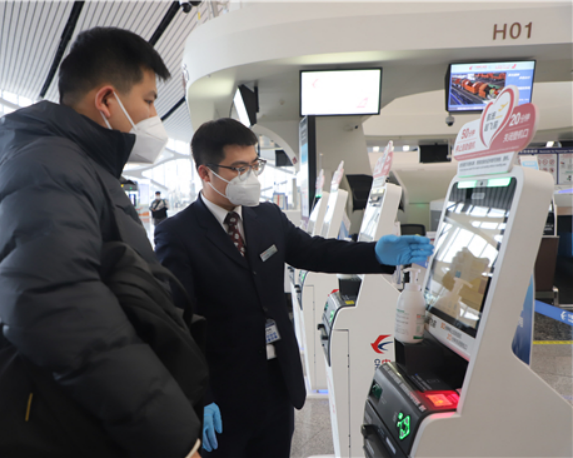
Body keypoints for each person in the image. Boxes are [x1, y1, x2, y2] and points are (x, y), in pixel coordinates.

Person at [0, 27, 203, 458]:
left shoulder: (79, 166)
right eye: (149, 100)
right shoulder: (47, 166)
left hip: (94, 414)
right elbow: (56, 305)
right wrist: (169, 430)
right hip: (65, 420)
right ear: (107, 100)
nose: (155, 115)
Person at [154, 118, 434, 458]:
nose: (250, 176)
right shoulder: (177, 234)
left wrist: (375, 253)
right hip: (224, 392)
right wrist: (201, 396)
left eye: (254, 165)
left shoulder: (267, 217)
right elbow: (179, 322)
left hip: (277, 385)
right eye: (239, 168)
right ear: (205, 172)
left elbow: (317, 252)